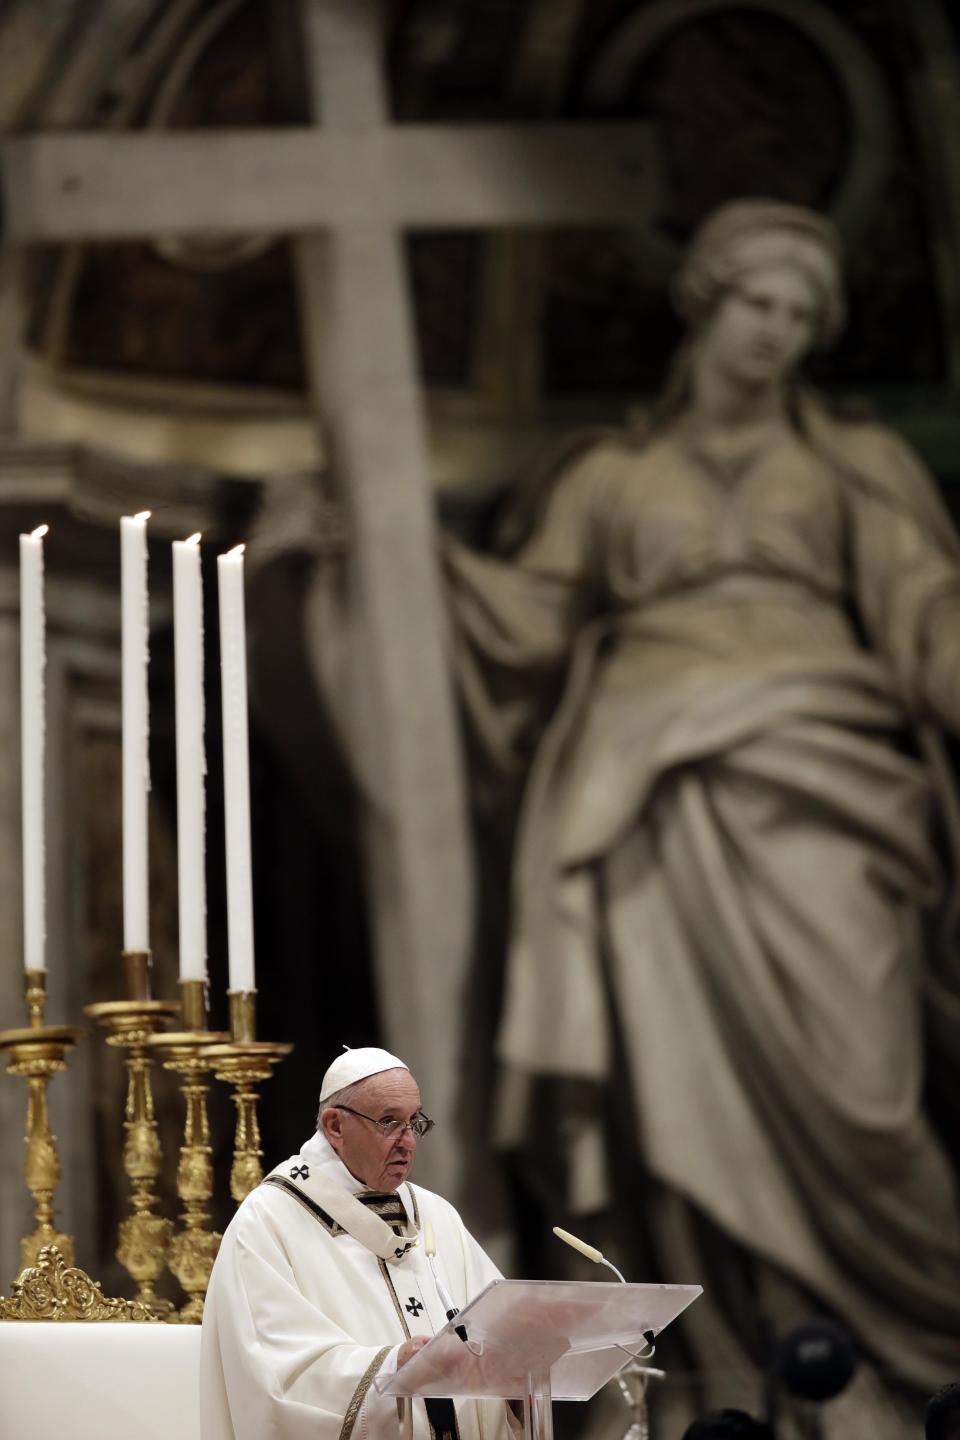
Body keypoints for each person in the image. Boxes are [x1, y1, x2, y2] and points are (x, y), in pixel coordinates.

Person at [440, 199, 960, 1431]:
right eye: (757, 304)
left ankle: (910, 1341)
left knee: (863, 1084)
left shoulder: (855, 465)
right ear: (707, 303)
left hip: (824, 775)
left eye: (800, 315)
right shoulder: (614, 477)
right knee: (662, 1081)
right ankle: (713, 1369)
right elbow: (520, 620)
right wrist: (381, 546)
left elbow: (929, 618)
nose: (775, 333)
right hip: (647, 790)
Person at [200, 1046, 519, 1440]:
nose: (408, 1142)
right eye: (389, 1122)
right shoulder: (269, 1220)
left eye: (413, 1122)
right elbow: (273, 1375)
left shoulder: (434, 1213)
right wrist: (391, 1366)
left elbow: (501, 1327)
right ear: (334, 1126)